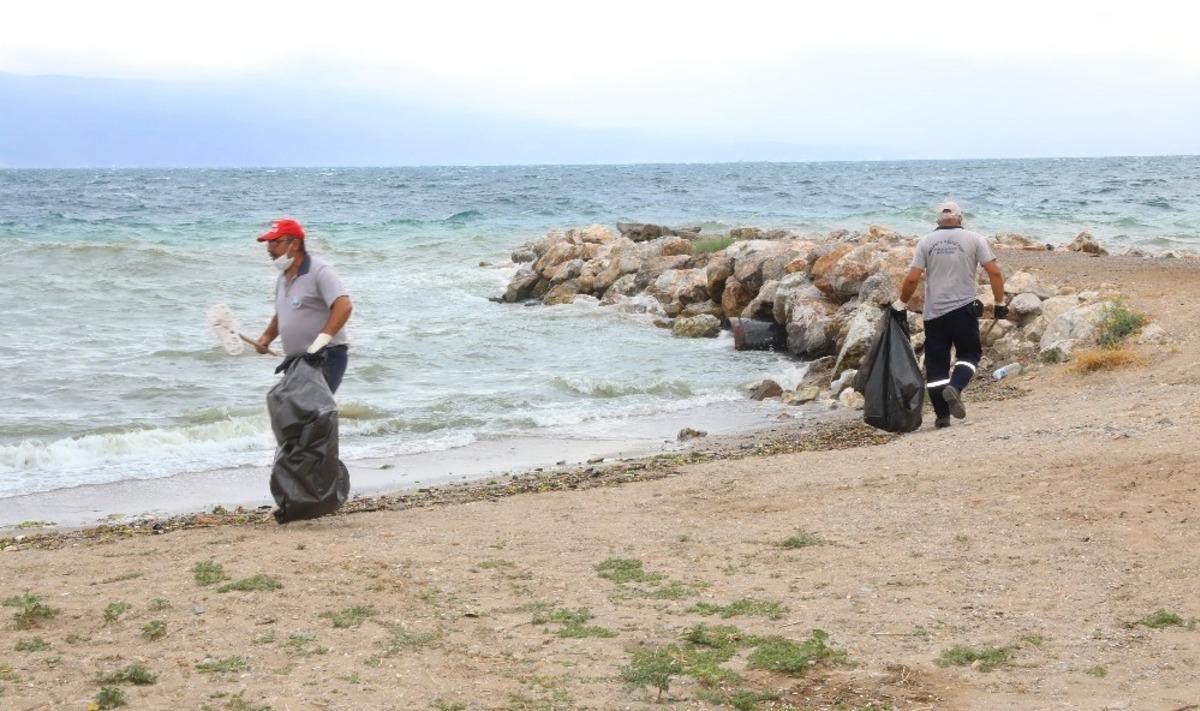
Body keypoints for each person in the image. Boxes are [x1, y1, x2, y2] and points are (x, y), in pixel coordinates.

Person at [896, 201, 1005, 429]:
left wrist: (900, 303)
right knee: (970, 353)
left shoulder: (926, 242)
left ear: (938, 221)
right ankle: (955, 387)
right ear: (961, 218)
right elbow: (994, 271)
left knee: (936, 366)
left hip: (934, 315)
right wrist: (999, 302)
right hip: (963, 310)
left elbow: (913, 278)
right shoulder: (975, 239)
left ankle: (942, 417)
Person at [254, 218, 353, 393]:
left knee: (309, 412)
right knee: (285, 409)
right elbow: (283, 313)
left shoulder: (320, 271)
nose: (270, 249)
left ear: (295, 244)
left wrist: (321, 342)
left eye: (276, 242)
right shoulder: (282, 279)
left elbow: (343, 306)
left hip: (325, 356)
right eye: (269, 243)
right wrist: (267, 337)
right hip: (297, 361)